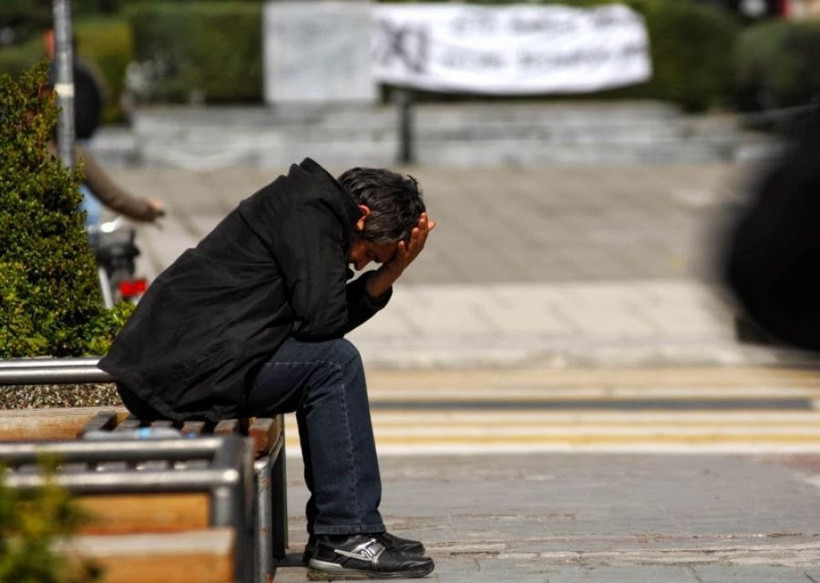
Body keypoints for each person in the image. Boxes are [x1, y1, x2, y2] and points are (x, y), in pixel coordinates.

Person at [99, 158, 437, 580]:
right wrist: (392, 272)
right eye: (368, 253)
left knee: (330, 361)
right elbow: (322, 323)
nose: (358, 264)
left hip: (187, 363)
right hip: (179, 373)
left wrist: (385, 270)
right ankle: (346, 534)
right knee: (335, 364)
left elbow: (315, 319)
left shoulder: (309, 208)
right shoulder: (311, 216)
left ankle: (344, 529)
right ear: (363, 218)